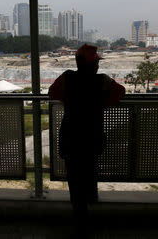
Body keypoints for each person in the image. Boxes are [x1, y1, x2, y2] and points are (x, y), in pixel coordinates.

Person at [48, 44, 125, 223]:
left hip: (70, 137)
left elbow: (52, 93)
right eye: (96, 62)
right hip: (92, 137)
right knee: (89, 172)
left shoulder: (67, 77)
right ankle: (89, 206)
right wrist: (101, 103)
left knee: (74, 178)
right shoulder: (103, 81)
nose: (98, 65)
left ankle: (79, 213)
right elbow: (120, 92)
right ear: (92, 65)